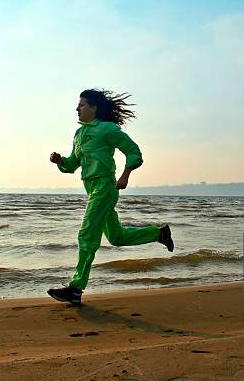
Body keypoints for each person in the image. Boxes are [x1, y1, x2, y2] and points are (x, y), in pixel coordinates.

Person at [47, 89, 174, 305]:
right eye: (78, 106)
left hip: (105, 187)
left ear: (94, 108)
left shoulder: (107, 129)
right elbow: (72, 165)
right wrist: (60, 161)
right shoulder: (79, 135)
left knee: (87, 234)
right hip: (91, 189)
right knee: (116, 237)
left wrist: (125, 175)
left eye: (82, 105)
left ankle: (76, 289)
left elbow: (134, 152)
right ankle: (158, 234)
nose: (77, 109)